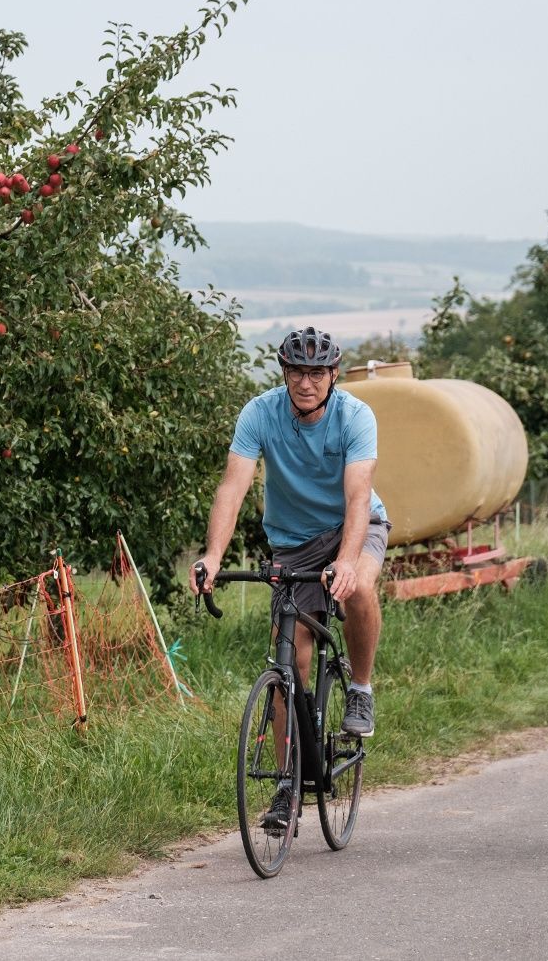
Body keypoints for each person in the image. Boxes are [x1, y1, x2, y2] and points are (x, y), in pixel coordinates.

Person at [194, 326, 389, 835]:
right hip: (293, 541)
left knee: (362, 586)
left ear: (332, 376)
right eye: (297, 372)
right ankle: (286, 785)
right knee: (289, 662)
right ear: (285, 374)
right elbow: (233, 488)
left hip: (355, 528)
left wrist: (346, 562)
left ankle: (361, 689)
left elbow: (356, 498)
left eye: (317, 373)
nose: (306, 382)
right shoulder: (259, 412)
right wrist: (213, 556)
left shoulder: (355, 417)